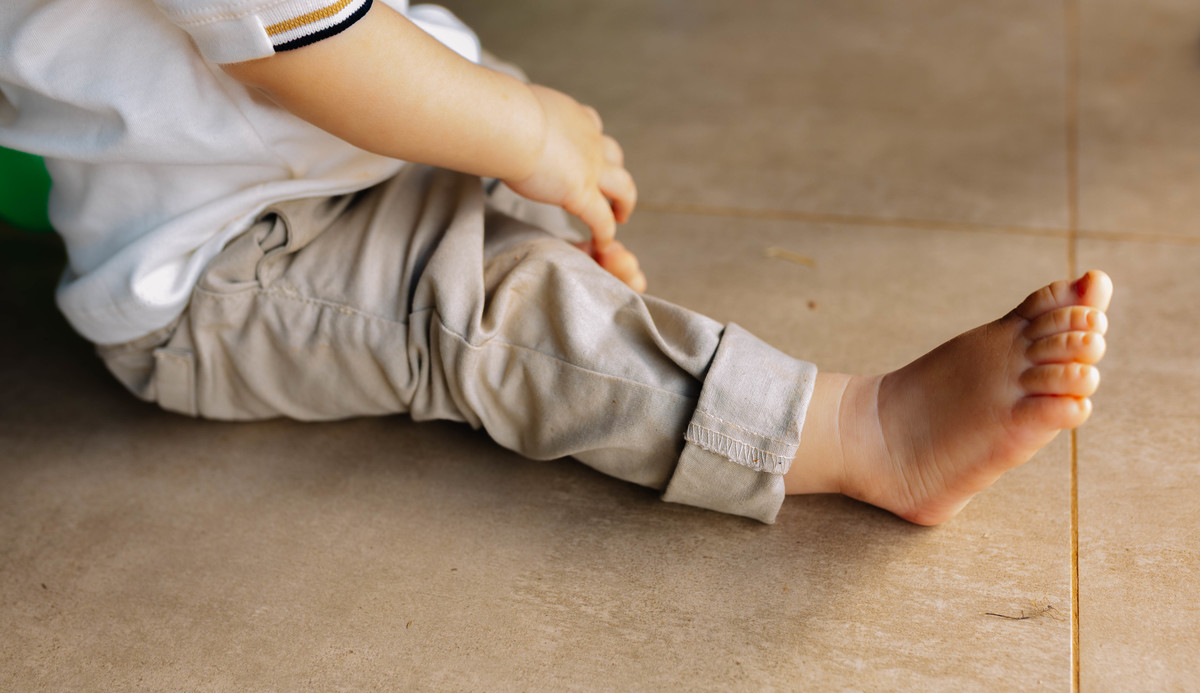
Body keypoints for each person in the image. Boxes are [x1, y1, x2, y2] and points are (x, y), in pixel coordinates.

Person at [0, 0, 1111, 524]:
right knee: (496, 312)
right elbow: (315, 50)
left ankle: (539, 226)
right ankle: (860, 432)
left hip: (331, 155)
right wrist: (524, 131)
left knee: (505, 136)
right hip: (226, 262)